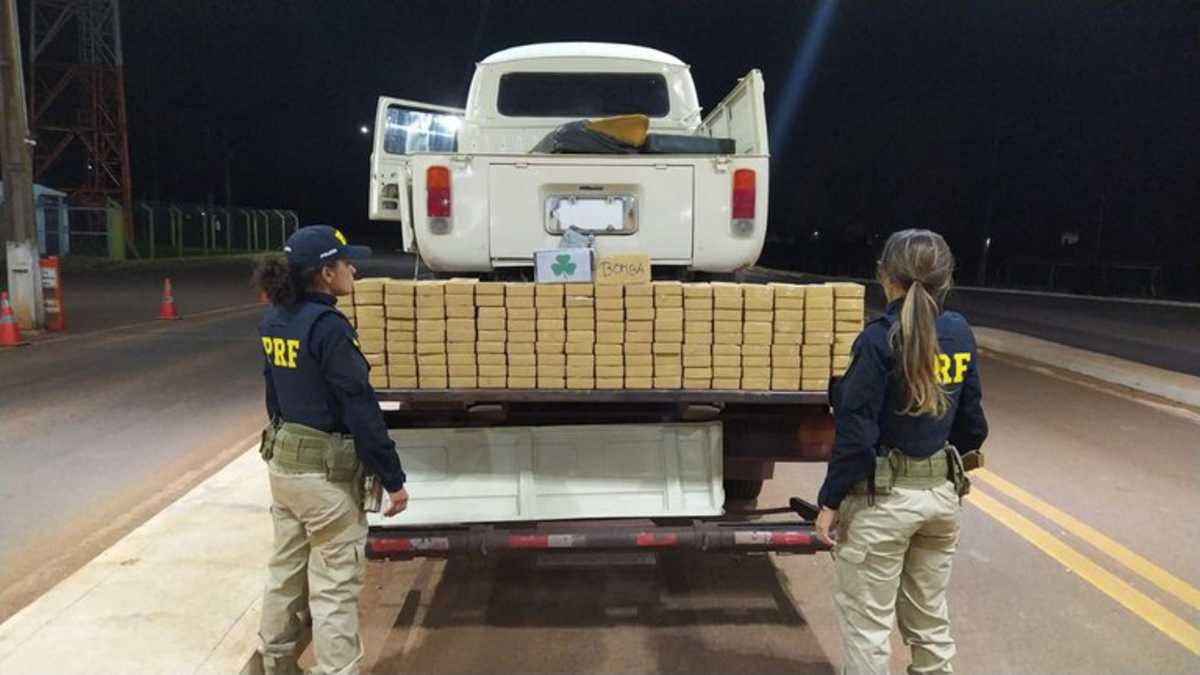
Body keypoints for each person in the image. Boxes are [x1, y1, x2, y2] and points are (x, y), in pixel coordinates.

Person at [814, 229, 988, 675]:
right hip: (940, 501)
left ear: (885, 277)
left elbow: (856, 437)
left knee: (868, 629)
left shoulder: (877, 340)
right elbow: (973, 426)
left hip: (884, 504)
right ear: (945, 280)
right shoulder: (959, 333)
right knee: (929, 622)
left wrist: (830, 503)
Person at [252, 225, 409, 675]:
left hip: (284, 467)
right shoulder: (329, 328)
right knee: (334, 587)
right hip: (324, 481)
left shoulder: (276, 320)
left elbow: (274, 396)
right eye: (345, 262)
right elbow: (360, 407)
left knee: (285, 572)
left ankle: (275, 662)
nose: (352, 270)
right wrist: (393, 478)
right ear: (325, 273)